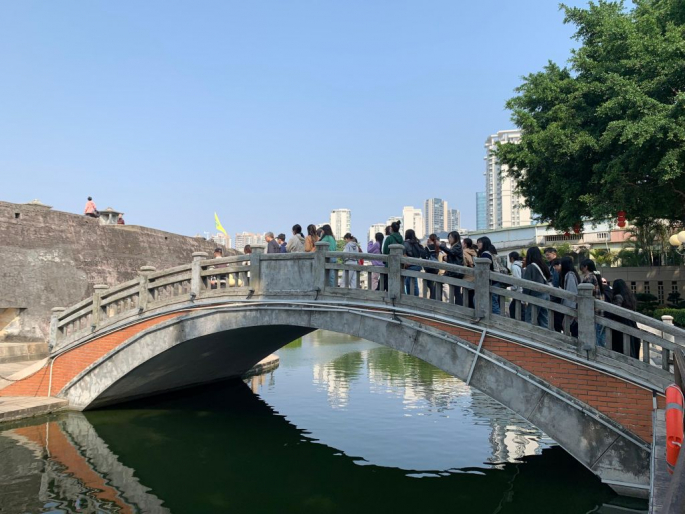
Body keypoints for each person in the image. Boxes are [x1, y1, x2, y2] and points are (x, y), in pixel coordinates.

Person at [609, 279, 640, 358]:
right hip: (631, 323)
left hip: (622, 324)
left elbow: (617, 312)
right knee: (631, 346)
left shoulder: (618, 296)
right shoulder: (629, 296)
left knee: (622, 347)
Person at [579, 259, 607, 347]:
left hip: (594, 311)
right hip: (600, 311)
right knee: (600, 336)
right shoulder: (596, 276)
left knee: (596, 337)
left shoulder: (589, 277)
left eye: (581, 266)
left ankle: (597, 357)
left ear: (586, 267)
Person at [522, 246, 551, 328]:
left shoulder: (530, 267)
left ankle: (529, 339)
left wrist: (524, 298)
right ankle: (546, 338)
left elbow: (526, 284)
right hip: (545, 295)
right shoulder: (543, 265)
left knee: (530, 319)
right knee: (544, 320)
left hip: (536, 296)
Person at [476, 236, 500, 314]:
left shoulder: (485, 254)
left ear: (484, 243)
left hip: (491, 282)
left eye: (479, 242)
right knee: (494, 302)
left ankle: (496, 321)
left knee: (493, 303)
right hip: (495, 281)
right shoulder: (491, 253)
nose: (478, 244)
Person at [440, 231, 464, 305]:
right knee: (456, 291)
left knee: (456, 291)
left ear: (455, 238)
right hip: (453, 271)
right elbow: (453, 255)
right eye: (448, 237)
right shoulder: (455, 246)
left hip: (455, 272)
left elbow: (452, 252)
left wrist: (442, 246)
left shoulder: (457, 246)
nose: (449, 239)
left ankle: (458, 306)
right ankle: (457, 306)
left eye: (450, 237)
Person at [559, 256, 580, 337]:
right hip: (573, 306)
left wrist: (569, 309)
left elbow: (571, 292)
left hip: (571, 307)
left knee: (568, 327)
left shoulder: (570, 275)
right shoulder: (573, 273)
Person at [402, 229, 424, 296]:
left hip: (409, 266)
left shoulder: (405, 243)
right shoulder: (417, 243)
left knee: (409, 283)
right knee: (413, 282)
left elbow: (402, 253)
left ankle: (412, 298)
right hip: (417, 265)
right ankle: (414, 297)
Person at [424, 234, 441, 300]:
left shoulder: (428, 247)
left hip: (429, 267)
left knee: (429, 284)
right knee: (434, 283)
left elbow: (425, 256)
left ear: (430, 239)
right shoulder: (438, 246)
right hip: (436, 267)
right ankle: (435, 297)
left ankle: (432, 297)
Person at [462, 238, 477, 308]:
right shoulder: (474, 252)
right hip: (475, 276)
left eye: (462, 243)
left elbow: (465, 263)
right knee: (473, 296)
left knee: (467, 296)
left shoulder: (464, 252)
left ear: (465, 244)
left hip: (467, 276)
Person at [508, 251, 523, 320]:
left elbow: (516, 279)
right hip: (520, 291)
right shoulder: (519, 266)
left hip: (518, 291)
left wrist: (513, 288)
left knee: (513, 309)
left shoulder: (514, 267)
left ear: (511, 258)